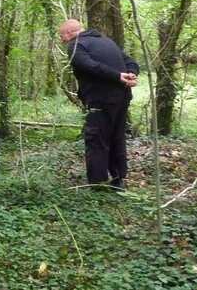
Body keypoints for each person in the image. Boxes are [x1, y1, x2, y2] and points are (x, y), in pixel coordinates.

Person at [59, 19, 139, 189]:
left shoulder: (76, 45)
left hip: (101, 100)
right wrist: (130, 73)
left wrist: (119, 76)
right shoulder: (107, 41)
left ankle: (97, 184)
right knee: (117, 137)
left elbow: (88, 65)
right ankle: (118, 179)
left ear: (69, 33)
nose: (61, 40)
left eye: (62, 35)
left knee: (96, 139)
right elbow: (131, 61)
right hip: (122, 98)